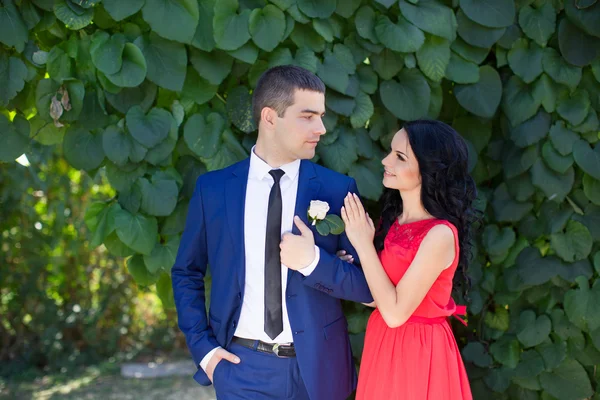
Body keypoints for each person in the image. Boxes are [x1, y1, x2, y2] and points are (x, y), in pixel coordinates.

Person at [171, 65, 373, 400]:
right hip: (241, 368)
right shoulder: (214, 190)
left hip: (320, 373)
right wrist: (204, 351)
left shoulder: (337, 190)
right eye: (307, 116)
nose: (321, 128)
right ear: (269, 117)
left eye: (321, 116)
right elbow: (186, 272)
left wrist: (314, 262)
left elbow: (370, 285)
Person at [340, 120, 476, 399]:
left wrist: (364, 245)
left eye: (399, 157)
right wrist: (349, 266)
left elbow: (396, 312)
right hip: (383, 341)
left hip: (419, 351)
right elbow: (380, 298)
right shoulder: (395, 220)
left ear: (429, 171)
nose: (385, 160)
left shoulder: (439, 233)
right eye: (391, 151)